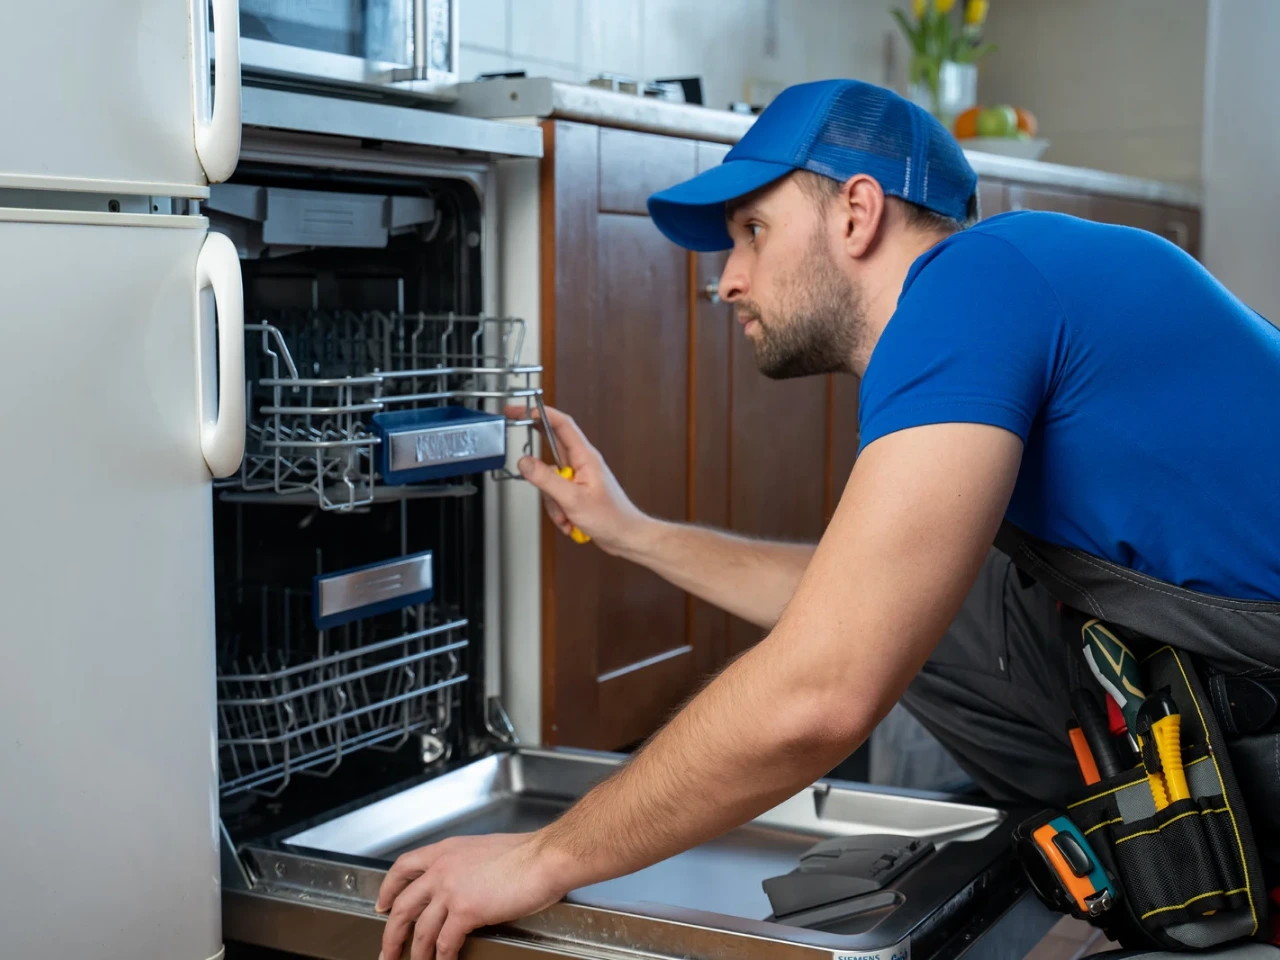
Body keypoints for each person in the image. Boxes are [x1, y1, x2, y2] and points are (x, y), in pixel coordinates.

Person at [375, 78, 1280, 960]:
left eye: (752, 233)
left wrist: (542, 858)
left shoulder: (973, 286)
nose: (725, 281)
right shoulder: (1009, 281)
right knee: (926, 609)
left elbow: (825, 687)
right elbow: (857, 600)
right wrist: (630, 530)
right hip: (1243, 656)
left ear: (856, 211)